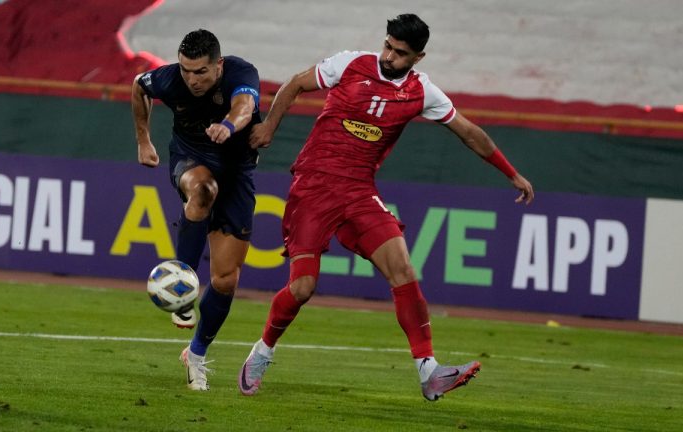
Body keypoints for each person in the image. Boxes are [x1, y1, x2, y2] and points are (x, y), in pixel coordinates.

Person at [237, 14, 534, 401]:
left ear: (418, 57)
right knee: (303, 287)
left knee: (403, 269)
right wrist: (269, 128)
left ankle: (428, 370)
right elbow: (295, 84)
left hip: (360, 191)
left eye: (400, 53)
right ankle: (262, 352)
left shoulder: (422, 92)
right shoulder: (350, 63)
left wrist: (512, 173)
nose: (389, 57)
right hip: (314, 186)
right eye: (388, 46)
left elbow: (469, 133)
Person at [131, 29, 262, 391]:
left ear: (218, 65)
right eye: (186, 70)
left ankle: (197, 354)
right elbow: (139, 87)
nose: (192, 79)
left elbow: (245, 107)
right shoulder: (170, 79)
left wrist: (228, 126)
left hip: (236, 175)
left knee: (226, 280)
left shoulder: (241, 72)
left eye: (201, 71)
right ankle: (182, 287)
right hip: (191, 159)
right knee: (203, 190)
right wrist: (143, 140)